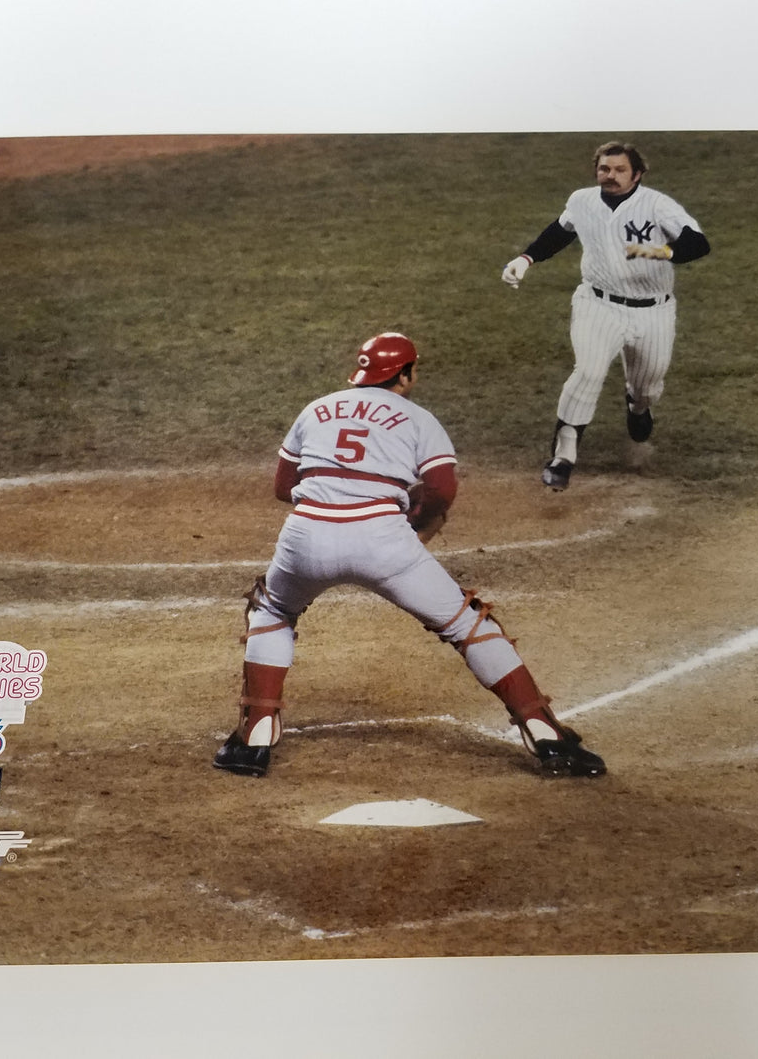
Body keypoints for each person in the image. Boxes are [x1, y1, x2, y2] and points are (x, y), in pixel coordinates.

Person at [212, 332, 606, 779]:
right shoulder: (420, 419)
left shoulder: (316, 408)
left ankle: (254, 740)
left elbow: (284, 488)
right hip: (383, 539)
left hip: (305, 535)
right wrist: (418, 520)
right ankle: (548, 737)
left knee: (273, 611)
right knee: (467, 623)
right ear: (406, 374)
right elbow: (442, 488)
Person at [500, 141, 710, 491]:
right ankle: (563, 456)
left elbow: (698, 243)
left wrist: (660, 250)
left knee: (648, 385)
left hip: (653, 311)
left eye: (619, 170)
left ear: (637, 174)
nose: (610, 176)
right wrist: (526, 258)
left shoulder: (658, 205)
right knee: (588, 371)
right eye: (604, 169)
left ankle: (638, 406)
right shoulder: (581, 200)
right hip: (597, 304)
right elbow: (559, 232)